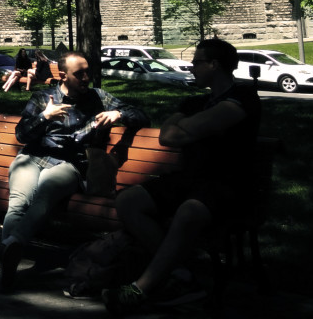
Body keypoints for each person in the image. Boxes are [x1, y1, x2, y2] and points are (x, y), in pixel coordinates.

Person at [102, 38, 260, 315]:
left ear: (215, 64)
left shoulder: (245, 97)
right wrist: (192, 127)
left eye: (198, 61)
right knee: (128, 201)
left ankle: (140, 289)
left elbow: (187, 128)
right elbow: (167, 136)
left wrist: (188, 127)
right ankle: (182, 276)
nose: (191, 67)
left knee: (188, 211)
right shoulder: (195, 100)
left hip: (230, 184)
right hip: (189, 179)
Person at [0, 52, 148, 291]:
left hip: (69, 164)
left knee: (44, 193)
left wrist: (118, 114)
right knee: (18, 201)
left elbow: (142, 116)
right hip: (32, 157)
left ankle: (11, 245)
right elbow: (21, 135)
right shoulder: (43, 97)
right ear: (63, 75)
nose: (86, 77)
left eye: (88, 72)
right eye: (80, 74)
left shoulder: (99, 97)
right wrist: (45, 116)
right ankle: (9, 260)